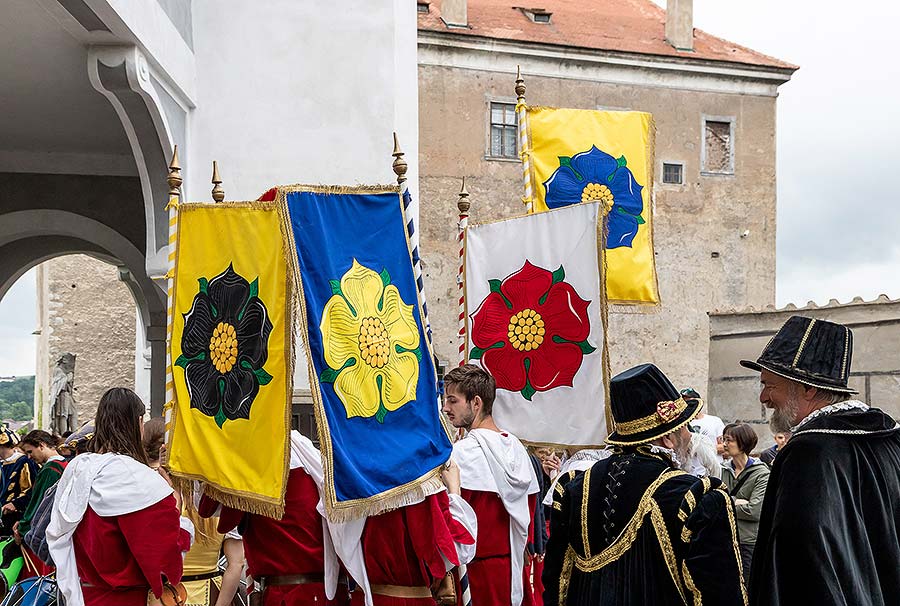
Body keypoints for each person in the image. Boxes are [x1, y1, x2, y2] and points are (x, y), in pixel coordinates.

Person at [542, 363, 746, 606]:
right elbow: (720, 593)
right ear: (668, 438)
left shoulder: (574, 488)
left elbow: (557, 585)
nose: (688, 435)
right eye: (684, 427)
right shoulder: (695, 496)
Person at [741, 316, 900, 606]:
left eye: (769, 385)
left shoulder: (807, 453)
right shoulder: (890, 439)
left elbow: (802, 562)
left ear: (808, 389)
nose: (764, 397)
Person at [47, 387, 193, 606]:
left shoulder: (77, 469)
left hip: (84, 595)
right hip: (126, 599)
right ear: (138, 423)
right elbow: (163, 558)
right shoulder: (140, 480)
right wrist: (175, 507)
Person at [442, 364, 539, 606]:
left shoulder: (460, 455)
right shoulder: (519, 450)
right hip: (512, 572)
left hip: (476, 578)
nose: (445, 408)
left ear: (476, 403)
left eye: (453, 401)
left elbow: (451, 524)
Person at [143, 418, 244, 606]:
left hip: (160, 596)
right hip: (209, 594)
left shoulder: (145, 486)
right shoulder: (214, 490)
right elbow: (236, 563)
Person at [719, 423, 769, 585]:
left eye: (729, 440)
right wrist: (736, 502)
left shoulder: (762, 473)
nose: (724, 444)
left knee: (746, 588)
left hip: (747, 542)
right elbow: (712, 503)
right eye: (724, 439)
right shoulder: (721, 470)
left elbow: (755, 511)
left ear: (743, 443)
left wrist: (726, 502)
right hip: (723, 538)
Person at [15, 430, 67, 574]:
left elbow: (38, 505)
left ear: (42, 445)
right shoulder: (65, 464)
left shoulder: (50, 470)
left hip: (43, 533)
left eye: (30, 452)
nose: (29, 457)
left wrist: (22, 528)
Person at [0, 428, 38, 535]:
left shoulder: (24, 462)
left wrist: (16, 504)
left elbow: (32, 491)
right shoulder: (2, 463)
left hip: (15, 518)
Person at [683, 388, 726, 461]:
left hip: (713, 469)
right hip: (692, 471)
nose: (689, 405)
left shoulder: (715, 421)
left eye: (692, 401)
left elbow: (724, 447)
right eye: (685, 402)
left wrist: (700, 450)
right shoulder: (682, 424)